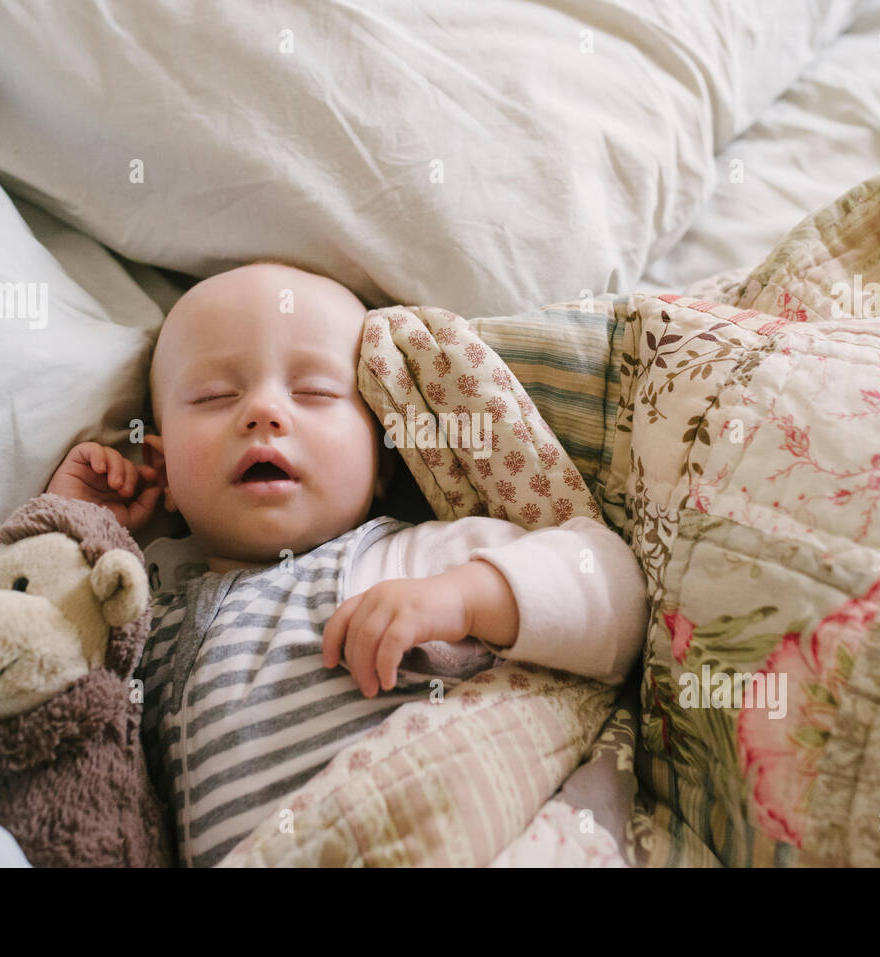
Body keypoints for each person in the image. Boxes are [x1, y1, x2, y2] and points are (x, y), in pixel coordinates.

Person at [44, 261, 649, 865]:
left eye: (313, 392)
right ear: (164, 466)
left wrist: (463, 598)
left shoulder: (410, 560)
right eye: (214, 396)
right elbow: (55, 716)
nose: (263, 412)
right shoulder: (145, 620)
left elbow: (615, 593)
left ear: (384, 460)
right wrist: (75, 532)